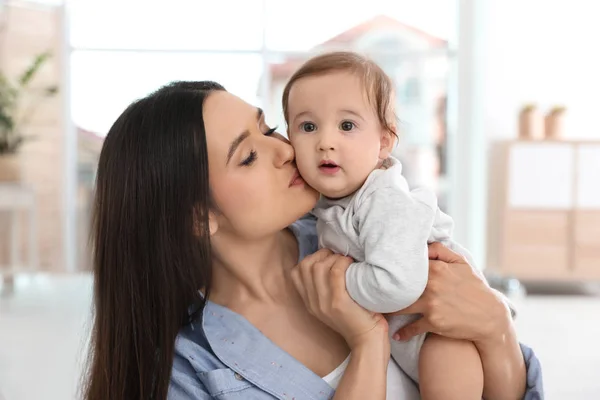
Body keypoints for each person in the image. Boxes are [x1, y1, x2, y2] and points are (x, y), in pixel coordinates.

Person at [81, 80, 543, 400]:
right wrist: (366, 344)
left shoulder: (365, 233)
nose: (285, 151)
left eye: (268, 129)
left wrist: (496, 326)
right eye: (247, 157)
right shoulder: (189, 372)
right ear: (198, 217)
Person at [284, 51, 483, 399]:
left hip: (445, 333)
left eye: (347, 126)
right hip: (404, 337)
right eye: (308, 126)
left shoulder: (384, 198)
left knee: (446, 369)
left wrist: (337, 280)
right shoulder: (324, 202)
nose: (325, 142)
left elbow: (397, 284)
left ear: (384, 143)